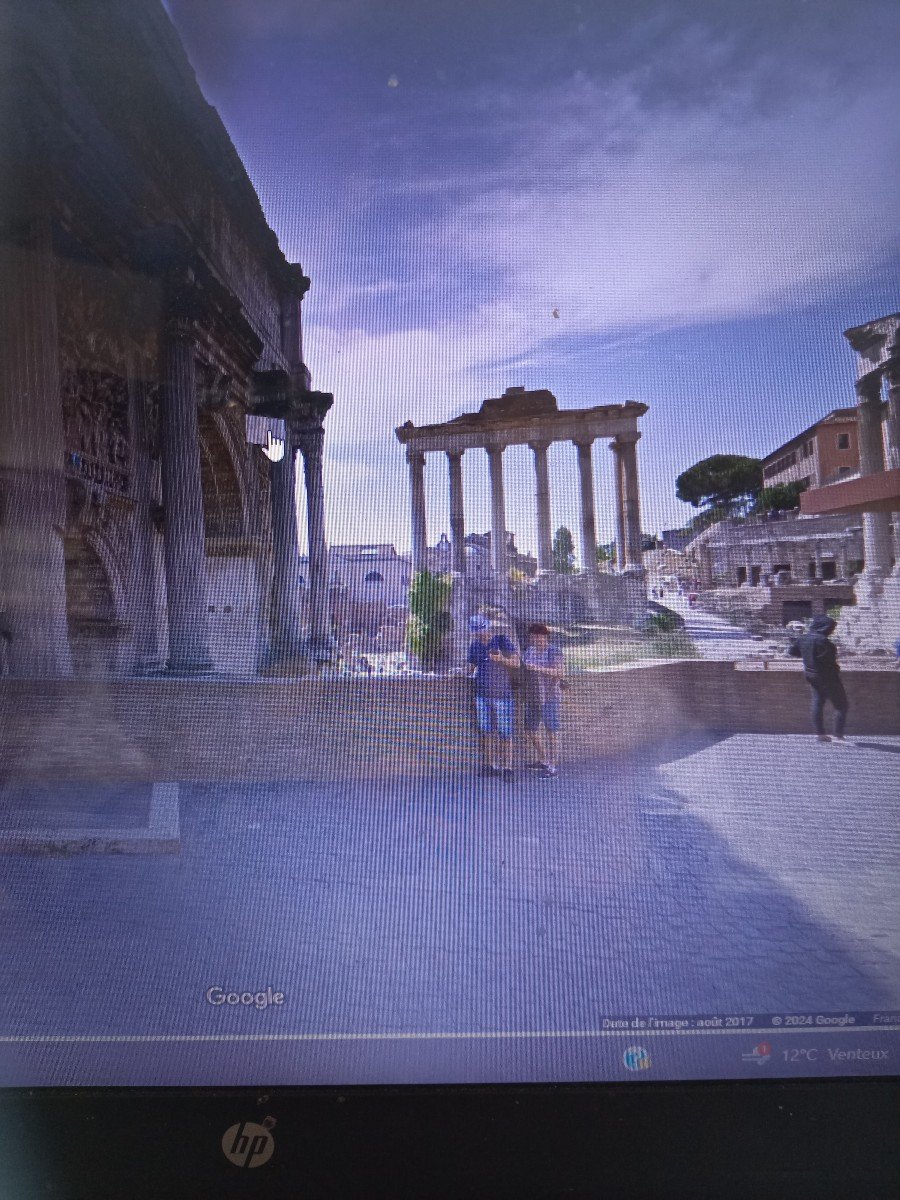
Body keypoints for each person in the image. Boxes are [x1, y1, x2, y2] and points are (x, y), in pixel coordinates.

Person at [467, 614, 520, 778]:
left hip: (503, 695)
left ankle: (508, 768)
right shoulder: (474, 645)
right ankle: (491, 766)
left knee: (505, 733)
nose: (481, 633)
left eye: (482, 629)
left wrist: (501, 659)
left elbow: (517, 663)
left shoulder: (501, 640)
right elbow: (470, 668)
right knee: (486, 732)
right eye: (477, 631)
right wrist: (458, 672)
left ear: (488, 626)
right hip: (482, 695)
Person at [788, 615, 849, 743]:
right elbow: (830, 662)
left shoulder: (803, 638)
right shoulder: (826, 643)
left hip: (811, 675)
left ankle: (820, 735)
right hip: (829, 678)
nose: (831, 631)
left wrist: (806, 655)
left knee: (818, 702)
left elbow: (792, 652)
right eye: (831, 628)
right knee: (841, 705)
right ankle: (838, 736)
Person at [522, 623, 565, 776]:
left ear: (545, 636)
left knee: (551, 731)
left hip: (550, 696)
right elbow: (523, 670)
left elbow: (560, 673)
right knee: (530, 729)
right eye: (533, 636)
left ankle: (552, 767)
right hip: (533, 697)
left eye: (538, 636)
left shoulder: (554, 651)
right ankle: (543, 759)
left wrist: (536, 668)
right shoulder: (529, 651)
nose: (535, 639)